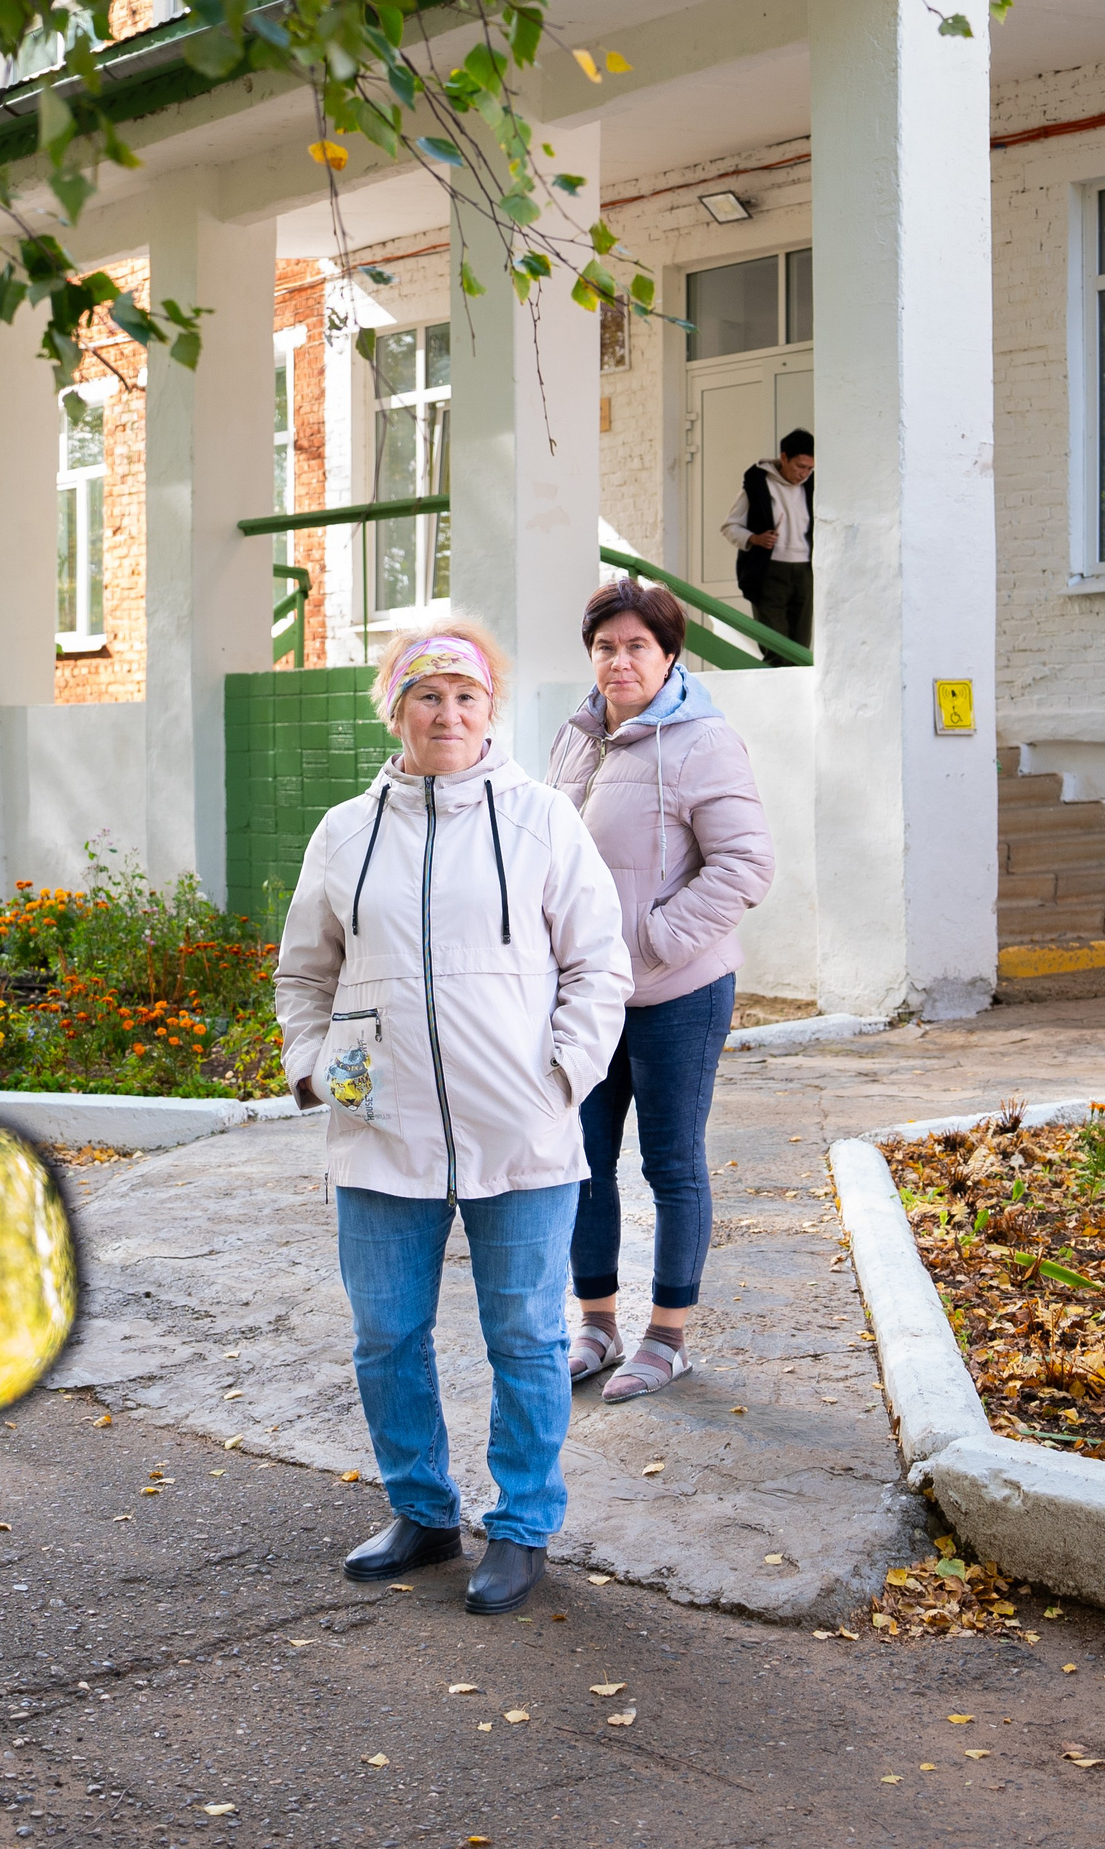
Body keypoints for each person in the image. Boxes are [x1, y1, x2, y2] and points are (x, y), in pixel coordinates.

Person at [276, 619, 630, 1616]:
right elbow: (303, 973)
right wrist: (317, 1070)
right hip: (379, 1131)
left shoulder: (543, 820)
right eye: (427, 695)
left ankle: (522, 1527)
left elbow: (599, 964)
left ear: (490, 710)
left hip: (520, 1128)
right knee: (386, 1334)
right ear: (395, 710)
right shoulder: (345, 831)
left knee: (524, 1336)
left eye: (466, 696)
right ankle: (422, 1511)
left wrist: (561, 1076)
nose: (448, 713)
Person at [546, 579, 774, 1401]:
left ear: (670, 655)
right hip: (588, 996)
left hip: (679, 991)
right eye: (606, 646)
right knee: (581, 1161)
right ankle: (597, 1325)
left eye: (637, 646)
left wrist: (649, 940)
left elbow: (745, 865)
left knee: (671, 1164)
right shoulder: (577, 738)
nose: (620, 661)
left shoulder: (703, 741)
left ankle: (667, 1337)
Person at [720, 427, 816, 653]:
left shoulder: (812, 487)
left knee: (801, 648)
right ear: (784, 457)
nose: (804, 473)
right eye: (800, 466)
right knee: (775, 648)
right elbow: (729, 527)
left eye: (810, 468)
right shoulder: (758, 484)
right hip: (769, 571)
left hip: (805, 571)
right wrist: (754, 538)